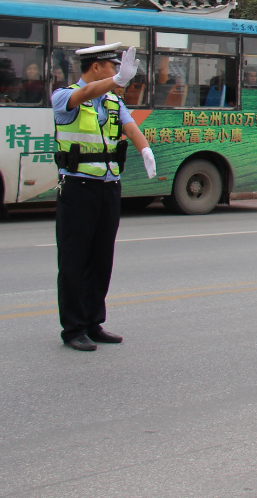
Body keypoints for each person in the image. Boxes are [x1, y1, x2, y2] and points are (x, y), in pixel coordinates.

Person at [52, 43, 159, 352]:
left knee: (101, 259)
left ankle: (93, 322)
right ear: (95, 67)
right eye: (112, 67)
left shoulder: (112, 100)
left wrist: (145, 149)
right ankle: (73, 328)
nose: (116, 72)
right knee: (74, 260)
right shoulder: (64, 96)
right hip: (77, 188)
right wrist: (116, 81)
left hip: (109, 187)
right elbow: (83, 95)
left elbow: (129, 126)